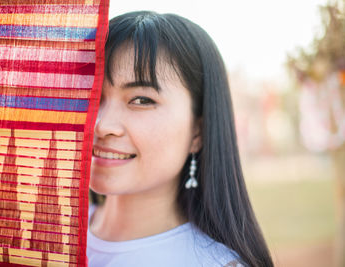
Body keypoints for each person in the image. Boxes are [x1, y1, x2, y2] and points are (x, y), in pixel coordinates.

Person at [87, 11, 274, 267]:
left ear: (198, 132)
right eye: (93, 94)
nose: (102, 125)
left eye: (141, 100)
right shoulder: (37, 237)